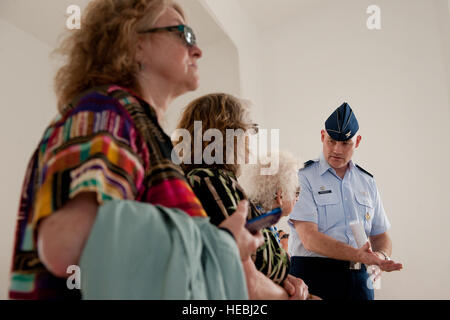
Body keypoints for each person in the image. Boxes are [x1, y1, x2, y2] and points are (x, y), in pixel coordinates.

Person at [9, 0, 263, 300]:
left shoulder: (138, 125)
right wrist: (222, 245)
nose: (198, 50)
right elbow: (65, 245)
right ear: (135, 43)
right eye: (185, 35)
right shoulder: (108, 110)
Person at [175, 94, 310, 300]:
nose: (251, 139)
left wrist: (284, 276)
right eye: (250, 129)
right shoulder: (208, 180)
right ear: (228, 134)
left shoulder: (219, 180)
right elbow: (254, 260)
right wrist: (284, 276)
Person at [288, 102, 403, 300]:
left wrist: (381, 257)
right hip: (314, 278)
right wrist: (360, 255)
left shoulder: (367, 181)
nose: (337, 150)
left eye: (345, 143)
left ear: (357, 141)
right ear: (323, 136)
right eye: (331, 141)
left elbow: (380, 235)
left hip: (359, 279)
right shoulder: (302, 176)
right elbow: (309, 238)